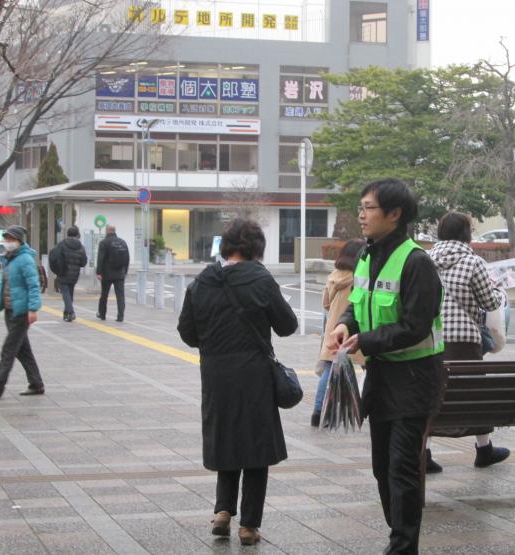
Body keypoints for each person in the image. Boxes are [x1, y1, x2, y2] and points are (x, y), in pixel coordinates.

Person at [326, 179, 444, 555]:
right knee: (382, 467)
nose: (361, 215)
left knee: (402, 468)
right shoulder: (365, 254)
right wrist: (347, 324)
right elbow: (358, 304)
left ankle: (402, 546)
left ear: (394, 214)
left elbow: (415, 326)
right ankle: (400, 534)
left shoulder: (417, 262)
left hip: (414, 379)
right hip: (380, 376)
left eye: (369, 208)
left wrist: (366, 341)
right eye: (360, 207)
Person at [177, 218, 298, 546]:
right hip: (254, 376)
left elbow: (187, 332)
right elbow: (287, 325)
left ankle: (222, 512)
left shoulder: (203, 281)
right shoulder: (260, 278)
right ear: (256, 248)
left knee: (226, 439)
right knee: (255, 447)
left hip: (215, 376)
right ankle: (248, 526)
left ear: (226, 245)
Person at [426, 212, 510, 472]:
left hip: (430, 339)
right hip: (464, 341)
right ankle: (484, 450)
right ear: (466, 234)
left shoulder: (424, 260)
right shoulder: (473, 262)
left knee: (431, 395)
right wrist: (499, 291)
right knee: (472, 395)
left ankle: (423, 452)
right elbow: (490, 303)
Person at [0, 225, 44, 398]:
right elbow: (7, 282)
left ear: (19, 241)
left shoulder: (24, 259)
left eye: (11, 239)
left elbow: (33, 285)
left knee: (8, 349)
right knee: (23, 350)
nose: (7, 242)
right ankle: (36, 383)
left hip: (21, 311)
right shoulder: (10, 258)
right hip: (10, 309)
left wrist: (33, 309)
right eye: (6, 239)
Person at [311, 239, 366, 427]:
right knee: (368, 366)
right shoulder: (359, 278)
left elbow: (325, 303)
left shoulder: (333, 276)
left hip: (334, 327)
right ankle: (362, 408)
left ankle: (318, 412)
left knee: (329, 367)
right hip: (352, 326)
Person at [53, 226, 88, 322]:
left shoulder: (62, 244)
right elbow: (83, 262)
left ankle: (71, 312)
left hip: (63, 272)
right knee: (70, 293)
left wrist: (57, 269)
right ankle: (66, 314)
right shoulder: (81, 246)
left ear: (67, 234)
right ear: (77, 235)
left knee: (65, 293)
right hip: (75, 274)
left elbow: (55, 257)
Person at [96, 224, 129, 322]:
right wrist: (125, 271)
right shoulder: (123, 242)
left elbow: (100, 258)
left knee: (104, 295)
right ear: (114, 231)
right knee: (120, 295)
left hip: (107, 274)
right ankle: (120, 316)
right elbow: (127, 258)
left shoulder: (104, 242)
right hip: (120, 273)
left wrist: (99, 272)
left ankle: (102, 314)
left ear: (107, 230)